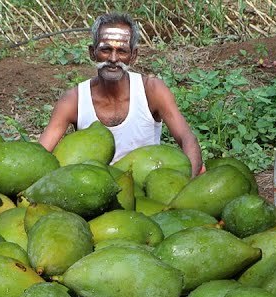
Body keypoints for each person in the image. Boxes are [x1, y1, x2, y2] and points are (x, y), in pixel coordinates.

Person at [39, 13, 203, 176]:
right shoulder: (74, 100)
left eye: (122, 51)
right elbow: (41, 153)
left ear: (133, 56)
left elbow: (187, 138)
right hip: (96, 186)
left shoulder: (151, 91)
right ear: (92, 52)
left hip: (145, 185)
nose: (113, 58)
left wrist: (190, 183)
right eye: (105, 50)